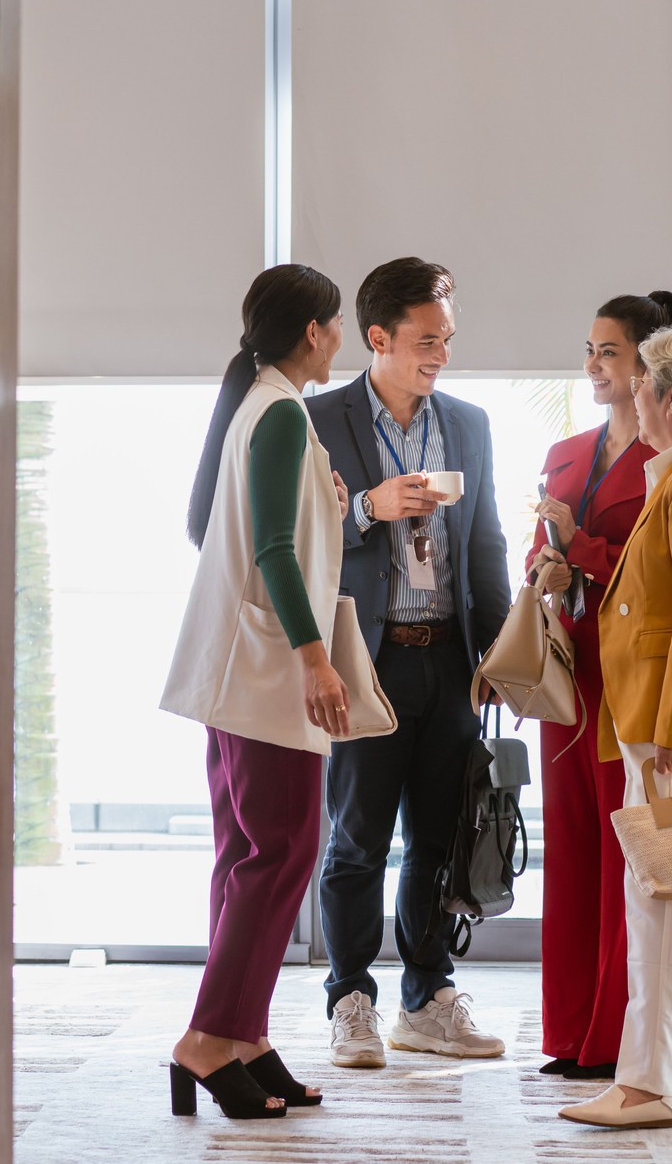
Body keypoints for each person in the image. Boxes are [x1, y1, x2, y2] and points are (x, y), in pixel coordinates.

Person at [304, 257, 512, 1068]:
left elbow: (486, 543)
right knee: (355, 839)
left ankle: (426, 996)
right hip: (368, 658)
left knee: (440, 837)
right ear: (379, 337)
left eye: (449, 339)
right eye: (427, 340)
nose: (442, 355)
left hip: (450, 661)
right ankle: (349, 998)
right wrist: (368, 507)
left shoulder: (469, 424)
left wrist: (496, 653)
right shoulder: (320, 420)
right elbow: (300, 539)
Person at [159, 263, 355, 1120]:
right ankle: (208, 1038)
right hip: (270, 672)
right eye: (337, 324)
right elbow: (273, 551)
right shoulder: (279, 411)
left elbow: (254, 531)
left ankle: (243, 1035)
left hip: (239, 670)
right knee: (280, 853)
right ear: (313, 330)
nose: (339, 338)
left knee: (253, 856)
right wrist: (316, 659)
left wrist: (337, 504)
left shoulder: (265, 407)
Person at [524, 292, 672, 1081]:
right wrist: (546, 563)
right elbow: (541, 551)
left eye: (609, 351)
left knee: (627, 849)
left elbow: (643, 568)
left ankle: (618, 1041)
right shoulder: (565, 450)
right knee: (574, 845)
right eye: (589, 348)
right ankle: (571, 1031)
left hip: (627, 667)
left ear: (648, 364)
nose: (593, 364)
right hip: (569, 667)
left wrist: (578, 547)